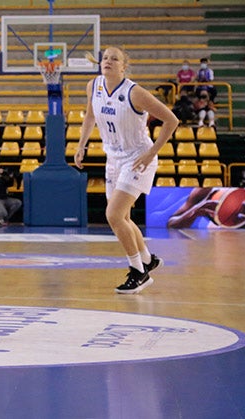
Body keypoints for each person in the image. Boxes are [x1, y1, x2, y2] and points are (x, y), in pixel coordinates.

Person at [73, 46, 179, 294]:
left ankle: (139, 272)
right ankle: (147, 259)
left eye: (114, 59)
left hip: (137, 157)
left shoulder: (135, 92)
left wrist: (151, 152)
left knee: (114, 215)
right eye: (105, 58)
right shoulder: (94, 86)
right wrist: (81, 146)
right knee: (123, 218)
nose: (108, 61)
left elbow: (171, 120)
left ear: (124, 66)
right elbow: (90, 116)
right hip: (113, 158)